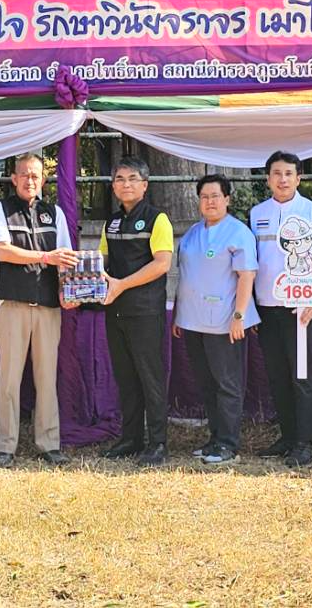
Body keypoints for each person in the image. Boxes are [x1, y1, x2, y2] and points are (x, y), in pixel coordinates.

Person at [0, 152, 79, 468]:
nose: (29, 180)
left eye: (35, 175)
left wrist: (70, 290)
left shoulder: (55, 213)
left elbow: (64, 258)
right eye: (23, 174)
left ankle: (49, 443)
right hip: (13, 305)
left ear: (44, 180)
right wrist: (44, 257)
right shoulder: (1, 208)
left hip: (49, 307)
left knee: (47, 378)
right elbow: (4, 252)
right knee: (9, 379)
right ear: (14, 178)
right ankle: (5, 446)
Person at [249, 151, 312, 468]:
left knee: (301, 376)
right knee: (277, 375)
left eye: (288, 173)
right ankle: (287, 436)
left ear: (299, 177)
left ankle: (304, 442)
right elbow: (250, 261)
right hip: (267, 307)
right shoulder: (257, 212)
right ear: (268, 178)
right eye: (276, 173)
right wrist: (251, 308)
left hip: (300, 309)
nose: (282, 179)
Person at [173, 173, 258, 465]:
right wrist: (179, 315)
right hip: (194, 320)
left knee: (227, 383)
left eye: (215, 196)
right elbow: (186, 276)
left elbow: (247, 275)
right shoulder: (193, 232)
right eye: (204, 197)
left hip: (225, 320)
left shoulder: (238, 232)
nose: (210, 202)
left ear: (227, 199)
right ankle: (214, 438)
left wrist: (239, 315)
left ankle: (228, 443)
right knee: (207, 383)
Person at [98, 156, 175, 466]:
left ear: (145, 185)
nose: (125, 184)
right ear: (113, 185)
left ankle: (158, 443)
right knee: (126, 378)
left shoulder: (159, 220)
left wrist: (121, 285)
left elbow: (162, 263)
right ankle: (131, 439)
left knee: (150, 378)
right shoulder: (111, 222)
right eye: (119, 179)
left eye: (132, 179)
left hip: (144, 312)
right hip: (114, 311)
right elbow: (101, 263)